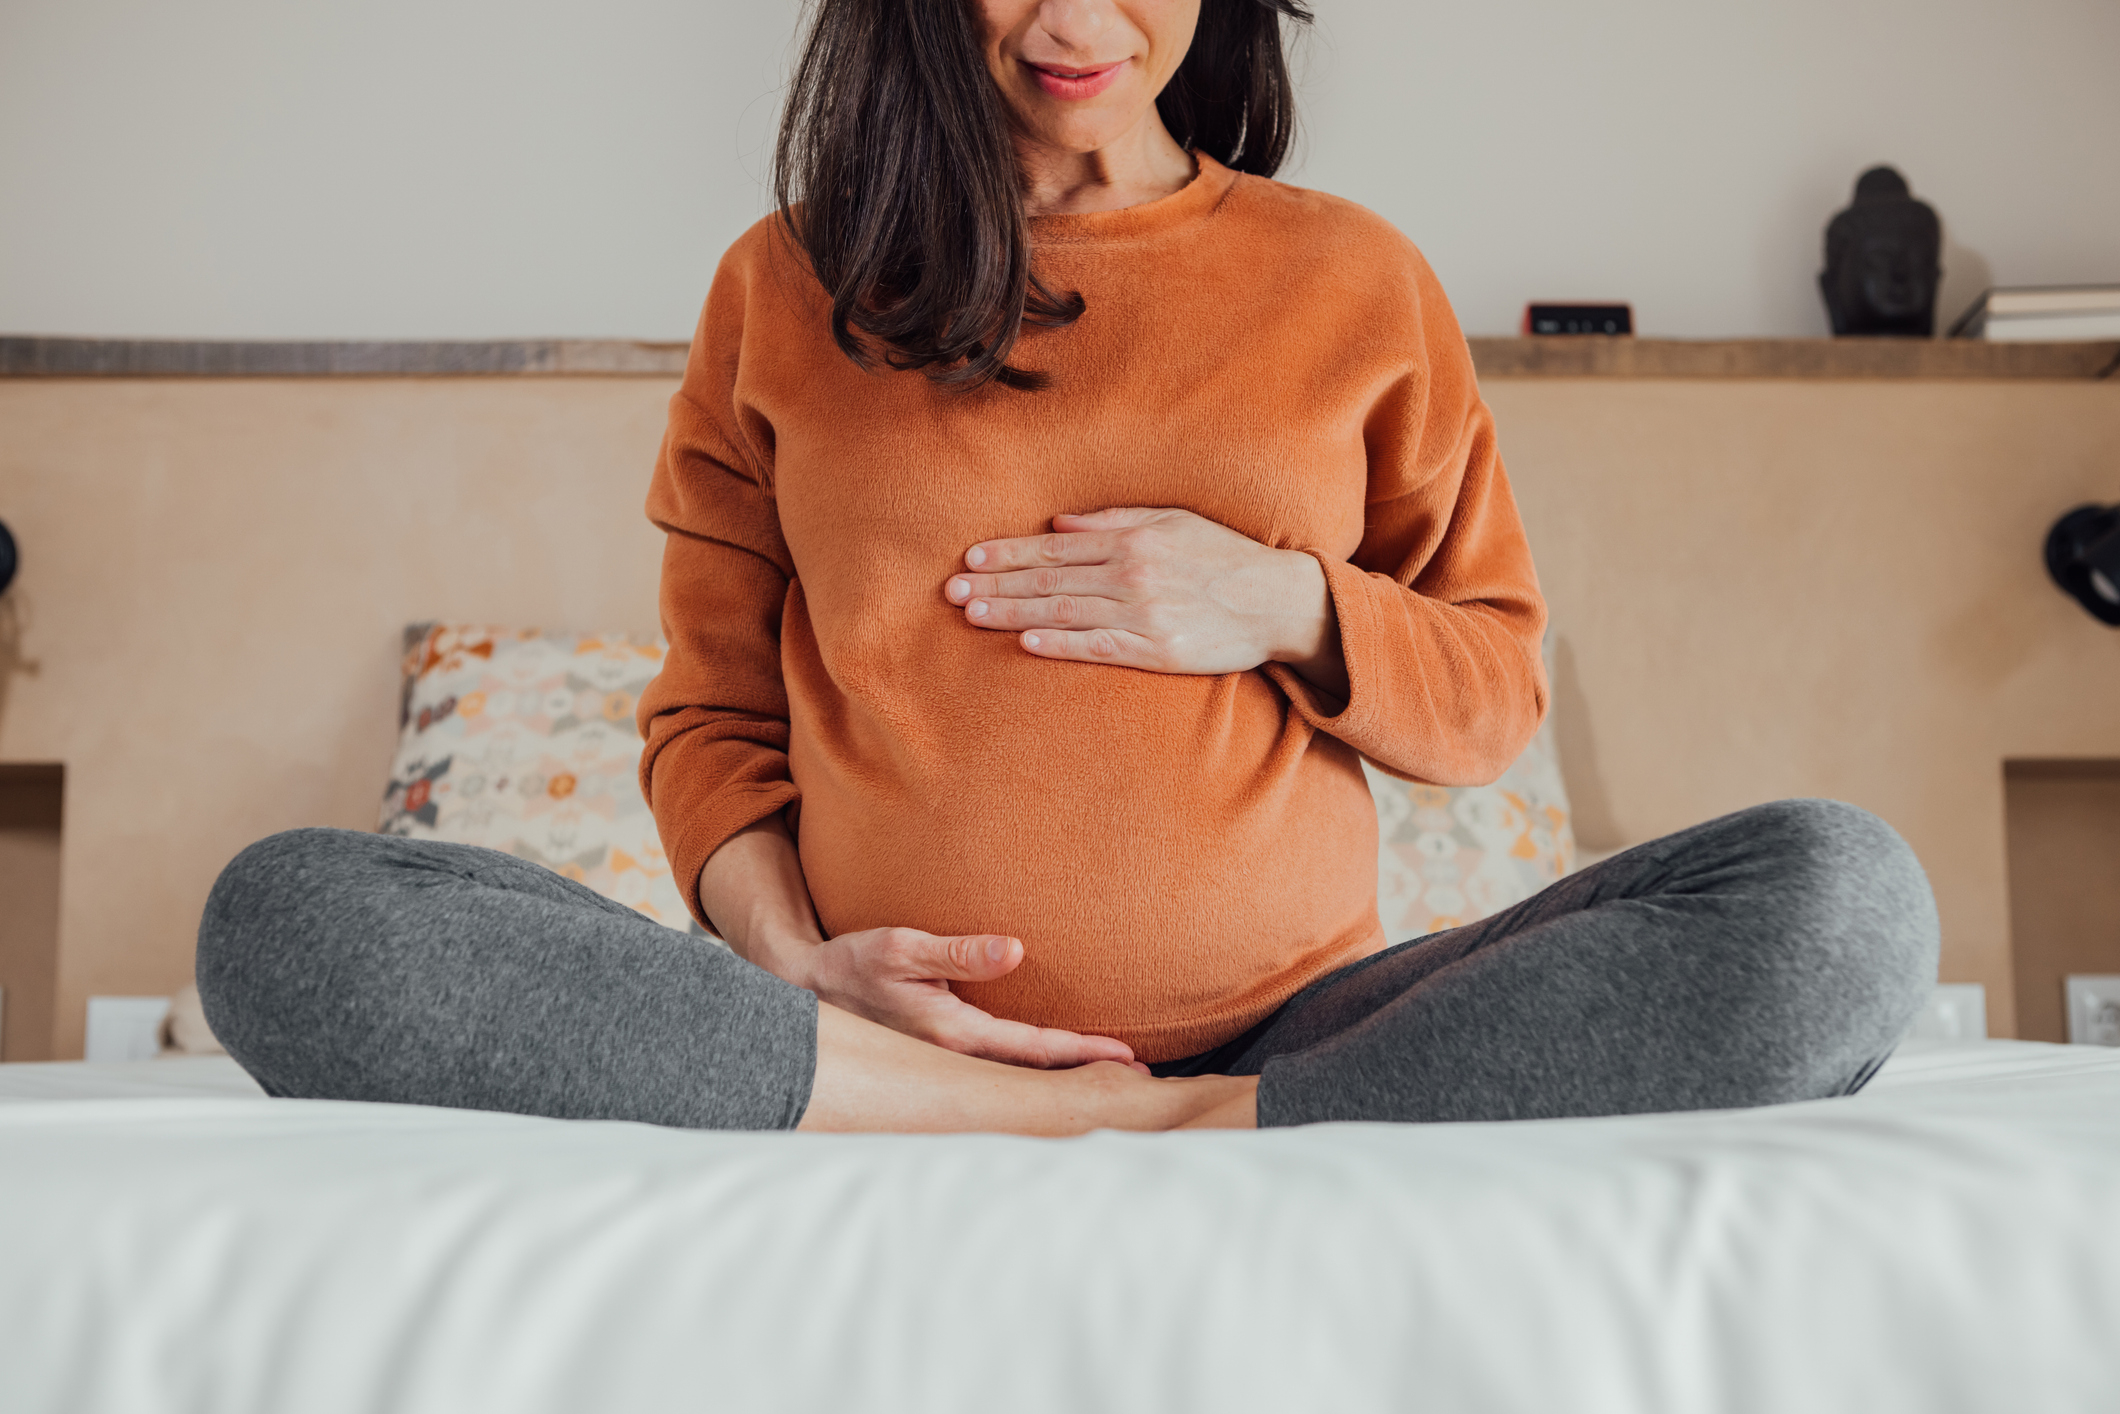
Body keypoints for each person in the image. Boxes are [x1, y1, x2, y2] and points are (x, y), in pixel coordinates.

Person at [196, 0, 1939, 1134]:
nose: (1080, 18)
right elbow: (712, 715)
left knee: (1847, 905)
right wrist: (789, 959)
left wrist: (1281, 603)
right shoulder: (782, 289)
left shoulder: (1354, 282)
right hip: (863, 1052)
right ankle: (950, 1099)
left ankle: (1212, 1115)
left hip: (1310, 1033)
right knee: (286, 922)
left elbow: (1491, 692)